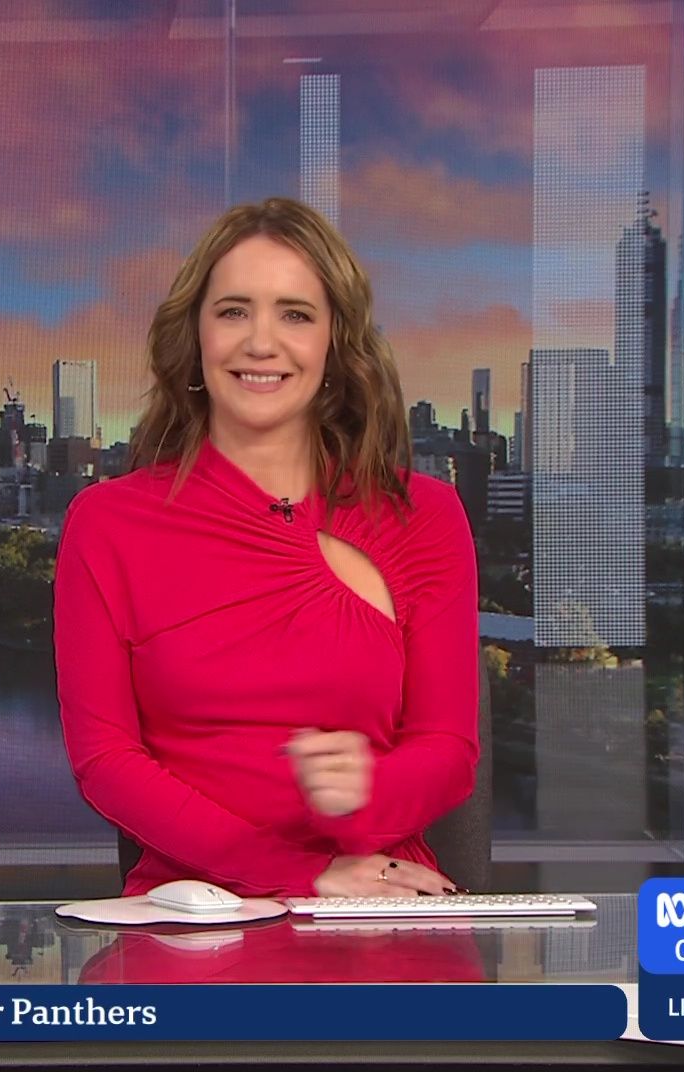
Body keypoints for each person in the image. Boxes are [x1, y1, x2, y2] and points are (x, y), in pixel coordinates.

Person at [54, 197, 477, 899]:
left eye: (296, 315)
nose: (261, 342)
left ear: (336, 344)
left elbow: (449, 750)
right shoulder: (107, 524)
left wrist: (367, 791)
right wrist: (298, 875)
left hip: (378, 894)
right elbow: (105, 759)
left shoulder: (422, 515)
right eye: (233, 311)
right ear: (195, 337)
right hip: (194, 909)